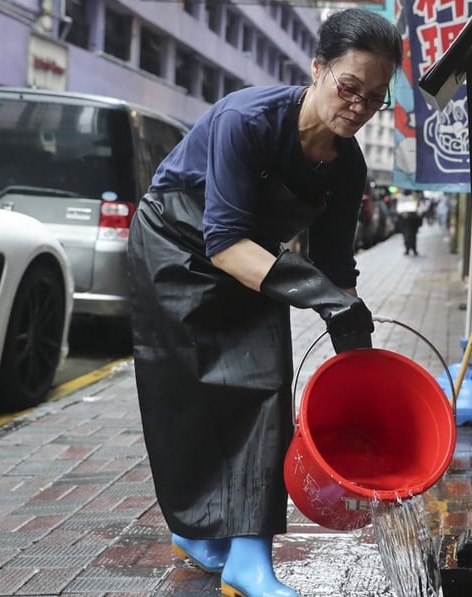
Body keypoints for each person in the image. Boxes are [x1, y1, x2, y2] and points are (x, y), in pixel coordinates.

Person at [126, 9, 402, 597]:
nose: (358, 105)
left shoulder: (346, 163)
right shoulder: (247, 119)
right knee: (185, 397)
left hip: (253, 261)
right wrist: (320, 297)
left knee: (267, 389)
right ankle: (194, 532)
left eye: (375, 98)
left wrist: (358, 353)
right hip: (175, 248)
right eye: (349, 87)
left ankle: (249, 562)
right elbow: (222, 242)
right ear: (318, 69)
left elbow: (334, 267)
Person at [395, 189, 423, 256]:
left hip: (412, 219)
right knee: (406, 235)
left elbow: (419, 208)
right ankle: (408, 249)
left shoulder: (415, 196)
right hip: (404, 219)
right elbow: (398, 209)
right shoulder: (401, 197)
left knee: (412, 235)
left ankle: (413, 249)